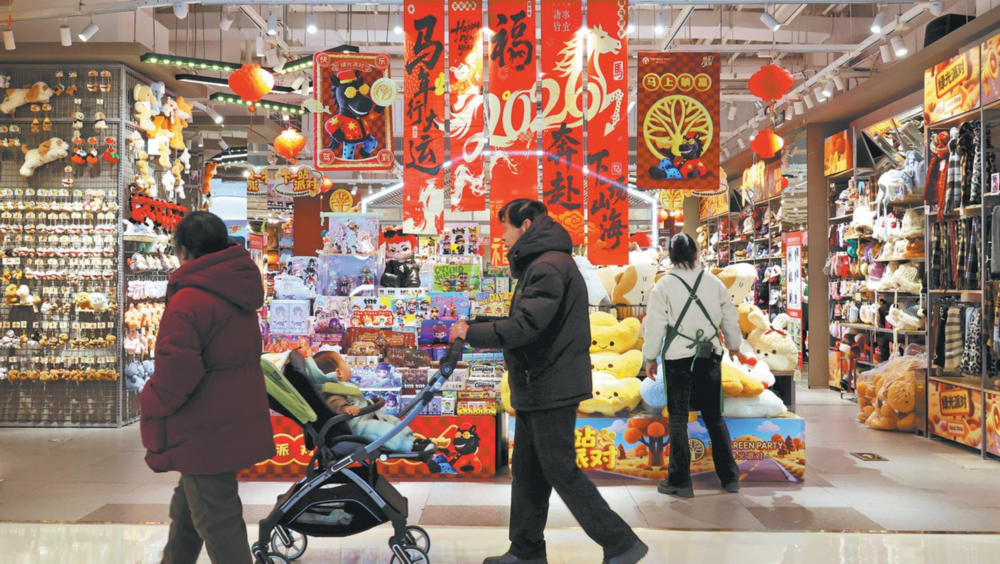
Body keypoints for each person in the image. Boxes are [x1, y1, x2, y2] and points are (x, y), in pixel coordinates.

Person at [450, 200, 647, 564]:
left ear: (525, 225)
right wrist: (478, 324)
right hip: (538, 382)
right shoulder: (545, 263)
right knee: (528, 470)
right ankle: (525, 550)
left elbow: (527, 326)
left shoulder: (547, 266)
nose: (502, 236)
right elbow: (531, 320)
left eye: (506, 227)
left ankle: (621, 542)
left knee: (559, 468)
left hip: (550, 383)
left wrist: (472, 333)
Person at [139, 211, 274, 564]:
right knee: (188, 513)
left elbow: (176, 373)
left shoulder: (190, 300)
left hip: (202, 428)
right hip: (228, 420)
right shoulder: (238, 292)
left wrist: (149, 399)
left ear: (183, 251)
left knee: (218, 522)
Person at [642, 233, 743, 499]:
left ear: (670, 255)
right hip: (710, 355)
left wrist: (650, 357)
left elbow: (654, 326)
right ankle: (730, 478)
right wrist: (735, 346)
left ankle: (680, 482)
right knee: (713, 416)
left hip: (677, 357)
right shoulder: (714, 282)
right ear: (696, 253)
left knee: (678, 419)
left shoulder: (663, 285)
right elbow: (730, 317)